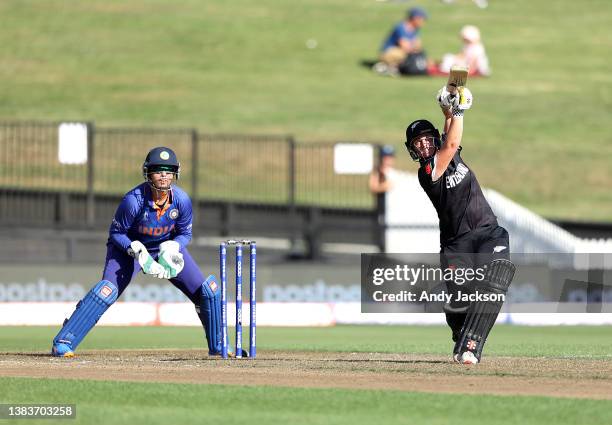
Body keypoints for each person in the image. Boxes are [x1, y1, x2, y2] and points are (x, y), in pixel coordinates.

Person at [51, 147, 236, 357]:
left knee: (208, 292)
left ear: (175, 173)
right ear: (148, 172)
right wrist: (135, 250)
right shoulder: (133, 200)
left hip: (165, 249)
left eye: (169, 170)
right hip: (129, 249)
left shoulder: (181, 200)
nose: (164, 175)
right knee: (106, 291)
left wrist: (174, 245)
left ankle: (219, 346)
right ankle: (63, 342)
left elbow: (185, 233)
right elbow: (116, 233)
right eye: (158, 170)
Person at [404, 86, 515, 364]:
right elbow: (451, 143)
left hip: (488, 231)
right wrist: (460, 111)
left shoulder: (449, 154)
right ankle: (461, 332)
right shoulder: (428, 172)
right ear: (413, 150)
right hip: (457, 245)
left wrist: (448, 108)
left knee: (496, 278)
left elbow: (450, 139)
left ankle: (472, 346)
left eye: (428, 138)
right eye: (418, 143)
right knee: (459, 304)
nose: (425, 144)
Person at [374, 7, 428, 75]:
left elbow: (418, 45)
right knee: (406, 55)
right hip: (388, 52)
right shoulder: (401, 27)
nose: (423, 22)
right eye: (422, 19)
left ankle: (395, 67)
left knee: (417, 56)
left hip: (403, 51)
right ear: (415, 18)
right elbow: (405, 46)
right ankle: (386, 66)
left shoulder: (415, 29)